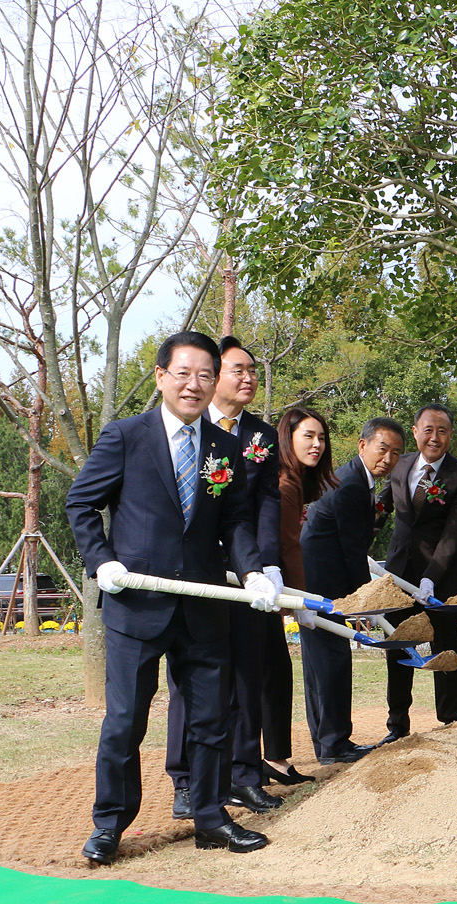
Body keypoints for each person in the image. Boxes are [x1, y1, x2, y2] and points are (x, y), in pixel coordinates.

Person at [66, 330, 281, 864]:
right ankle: (110, 825)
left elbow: (233, 521)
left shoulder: (225, 447)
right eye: (183, 373)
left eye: (205, 374)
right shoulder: (125, 437)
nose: (194, 384)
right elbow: (81, 505)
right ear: (161, 376)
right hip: (136, 603)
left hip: (204, 602)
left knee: (211, 719)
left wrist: (252, 571)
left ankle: (209, 817)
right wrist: (102, 562)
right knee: (125, 722)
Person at [166, 337, 290, 822]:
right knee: (191, 680)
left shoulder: (260, 436)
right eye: (238, 370)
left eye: (253, 371)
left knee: (247, 671)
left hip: (247, 572)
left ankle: (243, 774)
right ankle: (186, 780)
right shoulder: (184, 427)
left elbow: (263, 505)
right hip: (194, 573)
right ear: (212, 375)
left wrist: (263, 564)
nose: (248, 378)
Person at [300, 416, 406, 762]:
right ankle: (334, 745)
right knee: (330, 662)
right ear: (363, 445)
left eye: (395, 453)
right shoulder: (351, 485)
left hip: (321, 579)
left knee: (322, 662)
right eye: (382, 448)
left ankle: (328, 743)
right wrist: (367, 600)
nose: (388, 459)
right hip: (322, 583)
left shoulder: (359, 480)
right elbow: (350, 550)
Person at [380, 404, 457, 742]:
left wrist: (431, 577)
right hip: (397, 576)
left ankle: (451, 722)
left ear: (450, 435)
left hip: (442, 579)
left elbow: (454, 533)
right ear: (416, 429)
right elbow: (383, 506)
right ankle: (397, 725)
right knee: (399, 647)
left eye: (442, 431)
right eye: (428, 430)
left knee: (447, 648)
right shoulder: (400, 464)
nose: (434, 437)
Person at [265, 404, 336, 777]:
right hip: (259, 586)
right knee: (272, 672)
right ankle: (268, 761)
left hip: (269, 585)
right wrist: (301, 600)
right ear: (287, 438)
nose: (317, 444)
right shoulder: (284, 483)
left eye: (321, 437)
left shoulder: (292, 480)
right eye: (308, 435)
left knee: (272, 671)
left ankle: (269, 759)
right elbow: (288, 546)